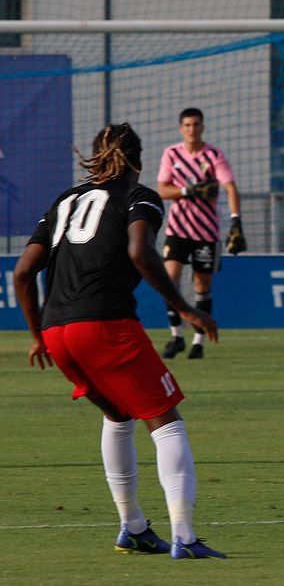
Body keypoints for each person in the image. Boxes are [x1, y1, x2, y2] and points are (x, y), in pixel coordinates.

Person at [13, 123, 228, 560]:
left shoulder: (65, 200)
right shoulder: (138, 196)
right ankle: (184, 537)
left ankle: (133, 528)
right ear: (135, 159)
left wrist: (38, 336)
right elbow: (139, 252)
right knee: (166, 421)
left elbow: (21, 273)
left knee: (117, 414)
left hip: (57, 330)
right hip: (104, 324)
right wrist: (186, 309)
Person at [156, 107, 246, 360]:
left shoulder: (214, 154)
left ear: (202, 126)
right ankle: (176, 336)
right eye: (187, 125)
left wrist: (236, 221)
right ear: (180, 128)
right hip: (177, 230)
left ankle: (197, 341)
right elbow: (162, 189)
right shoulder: (171, 154)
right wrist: (188, 191)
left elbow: (229, 187)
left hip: (206, 232)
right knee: (169, 281)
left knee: (201, 285)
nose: (191, 129)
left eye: (196, 124)